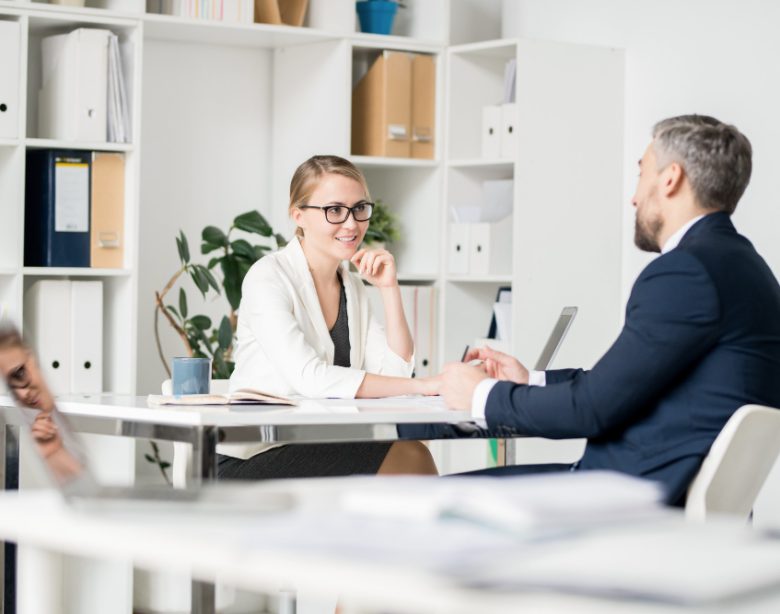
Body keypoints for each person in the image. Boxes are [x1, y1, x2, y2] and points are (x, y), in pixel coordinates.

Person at [439, 115, 780, 505]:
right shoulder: (746, 267)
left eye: (641, 173)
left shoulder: (685, 271)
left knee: (428, 500)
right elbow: (622, 385)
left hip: (631, 500)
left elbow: (592, 409)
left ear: (670, 178)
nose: (634, 197)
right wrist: (528, 380)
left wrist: (481, 394)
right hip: (667, 493)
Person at [219, 155, 440, 480]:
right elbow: (310, 377)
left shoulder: (351, 284)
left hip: (317, 443)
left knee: (408, 450)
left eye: (359, 208)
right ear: (298, 215)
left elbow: (395, 372)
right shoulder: (268, 277)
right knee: (409, 452)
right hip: (254, 455)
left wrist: (389, 289)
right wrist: (425, 385)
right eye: (334, 210)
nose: (351, 224)